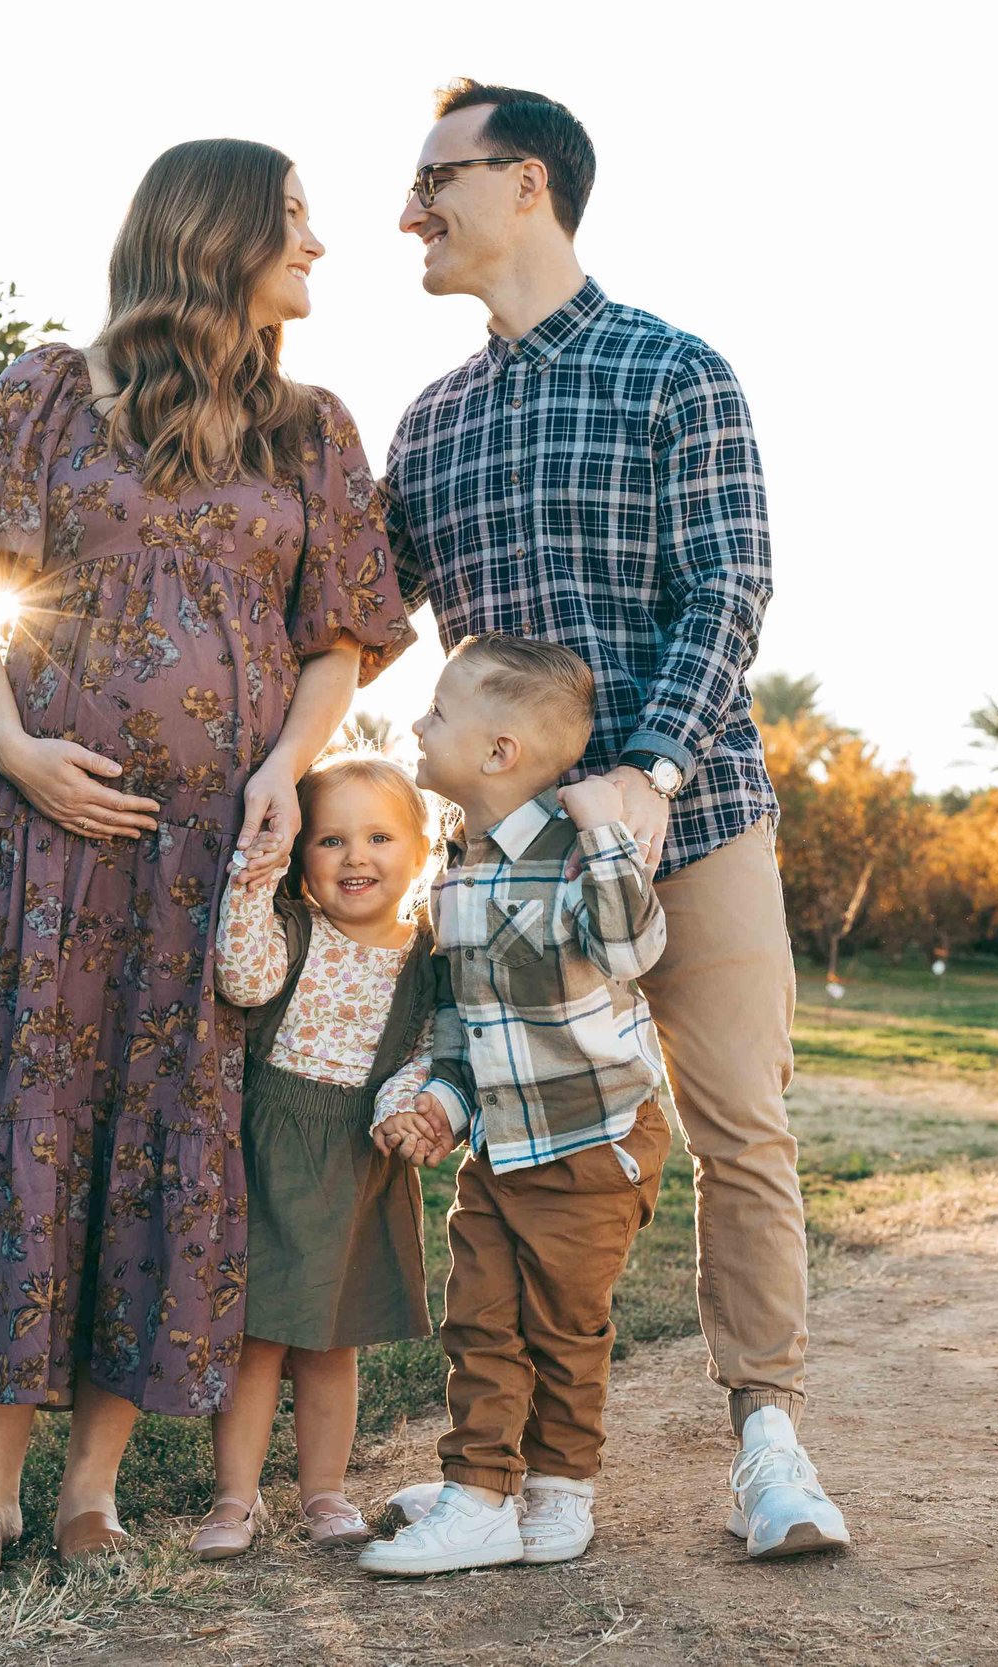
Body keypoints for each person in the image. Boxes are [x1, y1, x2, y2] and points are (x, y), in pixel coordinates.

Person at [0, 138, 415, 1581]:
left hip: (215, 856)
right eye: (293, 221)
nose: (319, 247)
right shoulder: (51, 390)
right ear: (213, 236)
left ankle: (92, 1489)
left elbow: (338, 637)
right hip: (48, 842)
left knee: (169, 1131)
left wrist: (284, 769)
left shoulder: (312, 429)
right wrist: (16, 750)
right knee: (32, 1115)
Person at [384, 80, 848, 1558]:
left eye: (435, 180)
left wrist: (648, 771)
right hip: (505, 874)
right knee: (500, 1150)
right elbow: (353, 612)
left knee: (741, 1123)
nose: (410, 210)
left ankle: (768, 1438)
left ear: (527, 181)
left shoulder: (673, 372)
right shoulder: (430, 424)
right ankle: (511, 1477)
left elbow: (730, 587)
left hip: (692, 819)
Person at [354, 634, 672, 1577]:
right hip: (501, 1146)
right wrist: (442, 1103)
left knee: (563, 1330)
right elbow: (464, 1026)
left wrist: (606, 826)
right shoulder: (456, 874)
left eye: (438, 711)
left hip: (593, 1143)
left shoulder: (579, 855)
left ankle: (560, 1491)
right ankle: (480, 1490)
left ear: (499, 751)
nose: (418, 723)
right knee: (480, 1317)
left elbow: (630, 950)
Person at [192, 750, 441, 1560]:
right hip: (271, 1147)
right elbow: (242, 978)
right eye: (332, 839)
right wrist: (253, 876)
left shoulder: (427, 960)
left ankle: (325, 1491)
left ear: (420, 850)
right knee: (259, 1336)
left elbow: (426, 1052)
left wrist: (405, 1110)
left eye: (379, 837)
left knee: (332, 1340)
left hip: (357, 1157)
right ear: (303, 856)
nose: (355, 856)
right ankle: (235, 1497)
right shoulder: (294, 930)